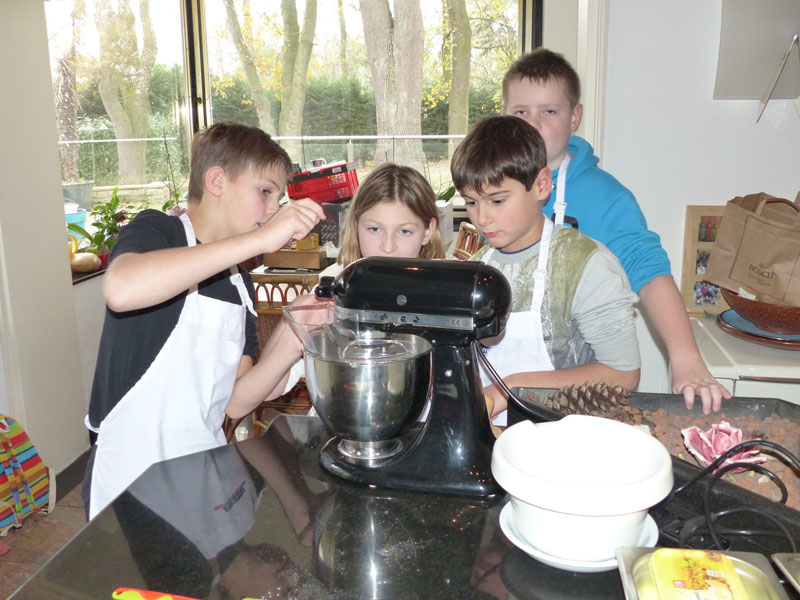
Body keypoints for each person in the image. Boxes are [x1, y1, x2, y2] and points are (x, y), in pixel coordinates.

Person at [82, 122, 326, 520]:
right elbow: (122, 289)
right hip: (133, 477)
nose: (271, 210)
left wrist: (293, 333)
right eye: (264, 192)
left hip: (201, 467)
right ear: (217, 180)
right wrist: (261, 241)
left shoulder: (239, 284)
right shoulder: (159, 230)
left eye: (278, 198)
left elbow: (236, 400)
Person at [501, 48, 730, 414]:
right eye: (521, 112)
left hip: (585, 397)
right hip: (503, 392)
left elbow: (649, 271)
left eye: (549, 111)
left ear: (574, 117)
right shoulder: (494, 194)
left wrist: (685, 357)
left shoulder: (605, 197)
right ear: (503, 117)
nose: (533, 124)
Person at [450, 115, 641, 423]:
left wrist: (511, 388)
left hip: (566, 438)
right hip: (492, 435)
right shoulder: (476, 268)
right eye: (471, 202)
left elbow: (623, 373)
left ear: (541, 185)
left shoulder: (585, 265)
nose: (481, 218)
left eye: (497, 200)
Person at [282, 162, 445, 392]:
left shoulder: (447, 292)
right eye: (374, 229)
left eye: (405, 231)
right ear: (356, 225)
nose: (388, 247)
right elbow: (274, 387)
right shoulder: (334, 289)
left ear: (427, 231)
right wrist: (293, 332)